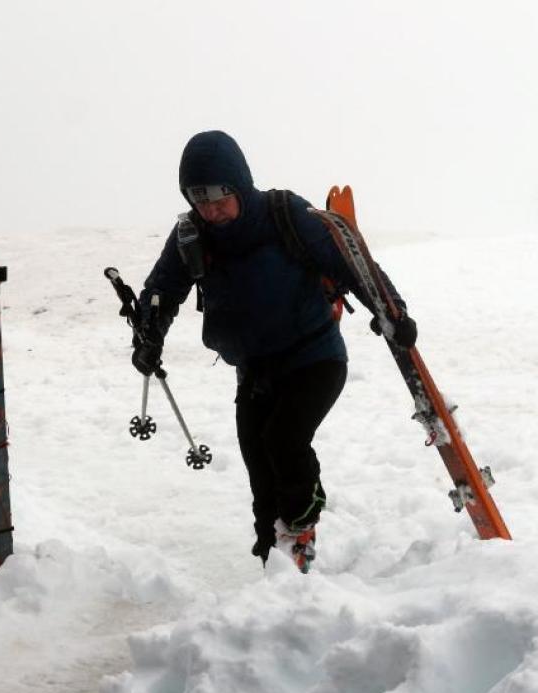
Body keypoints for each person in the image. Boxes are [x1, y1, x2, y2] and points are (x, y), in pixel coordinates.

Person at [130, 130, 417, 568]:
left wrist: (391, 312)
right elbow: (162, 290)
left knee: (283, 441)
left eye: (220, 199)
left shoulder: (286, 215)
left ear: (240, 186)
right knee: (260, 470)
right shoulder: (191, 235)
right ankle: (273, 555)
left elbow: (352, 261)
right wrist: (149, 338)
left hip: (314, 358)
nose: (211, 210)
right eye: (199, 200)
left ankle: (301, 526)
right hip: (255, 371)